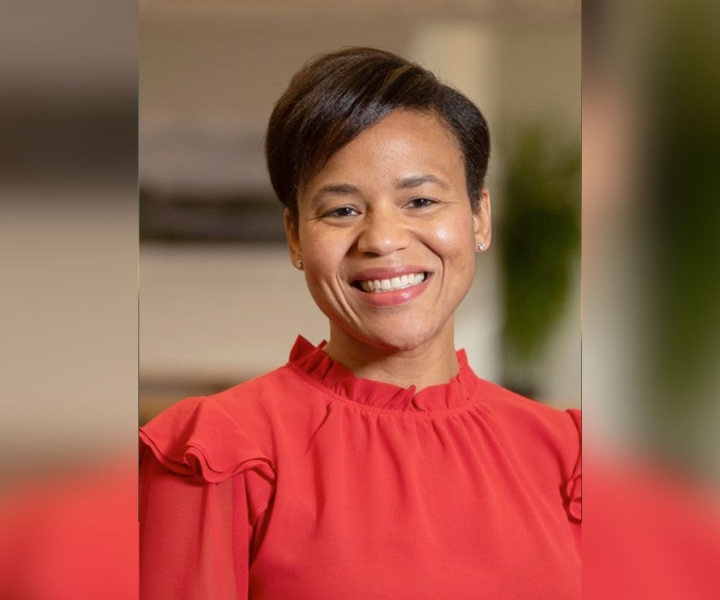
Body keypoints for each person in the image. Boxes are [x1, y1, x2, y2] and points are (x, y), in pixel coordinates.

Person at [139, 47, 581, 599]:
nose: (381, 239)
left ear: (478, 217)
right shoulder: (219, 452)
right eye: (341, 210)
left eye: (420, 200)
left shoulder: (568, 456)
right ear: (296, 237)